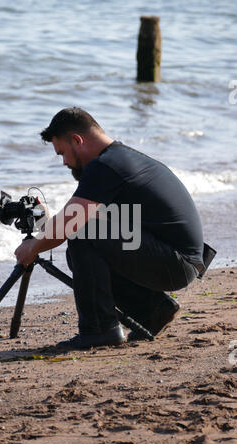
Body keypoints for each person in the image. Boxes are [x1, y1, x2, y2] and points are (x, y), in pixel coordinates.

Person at [15, 107, 206, 350]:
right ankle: (153, 310)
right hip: (178, 260)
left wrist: (32, 247)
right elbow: (90, 221)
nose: (63, 162)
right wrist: (47, 224)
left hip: (176, 263)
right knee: (82, 249)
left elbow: (71, 223)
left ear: (77, 140)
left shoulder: (105, 166)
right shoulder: (119, 158)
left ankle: (99, 330)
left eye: (62, 153)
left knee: (83, 231)